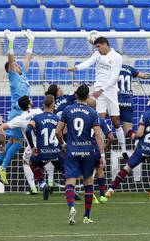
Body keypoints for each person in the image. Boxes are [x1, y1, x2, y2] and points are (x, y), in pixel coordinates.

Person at [68, 35, 128, 159]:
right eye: (96, 47)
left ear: (105, 44)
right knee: (99, 120)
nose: (98, 49)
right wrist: (76, 68)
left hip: (110, 90)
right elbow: (88, 62)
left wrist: (101, 90)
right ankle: (99, 149)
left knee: (116, 121)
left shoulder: (117, 57)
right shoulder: (97, 54)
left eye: (99, 46)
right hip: (98, 91)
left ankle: (124, 150)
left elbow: (114, 77)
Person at [55, 84, 105, 225]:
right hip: (88, 151)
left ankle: (71, 207)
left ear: (76, 95)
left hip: (72, 150)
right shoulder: (92, 112)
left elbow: (58, 131)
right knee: (88, 182)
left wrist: (63, 143)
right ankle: (86, 216)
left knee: (70, 181)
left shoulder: (67, 109)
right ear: (88, 96)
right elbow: (98, 134)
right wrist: (102, 155)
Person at [0, 29, 35, 185]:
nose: (17, 64)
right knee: (17, 143)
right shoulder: (13, 75)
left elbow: (28, 58)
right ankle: (3, 168)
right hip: (17, 114)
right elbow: (10, 60)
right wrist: (10, 42)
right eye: (15, 64)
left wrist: (31, 40)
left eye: (17, 64)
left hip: (20, 113)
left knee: (11, 142)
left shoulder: (23, 75)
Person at [1, 95, 43, 195]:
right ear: (29, 104)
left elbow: (3, 127)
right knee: (50, 160)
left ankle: (34, 188)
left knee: (25, 160)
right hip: (45, 143)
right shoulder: (39, 111)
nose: (32, 100)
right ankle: (49, 184)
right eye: (30, 99)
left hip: (33, 146)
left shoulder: (19, 118)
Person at [26, 95, 65, 200]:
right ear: (53, 105)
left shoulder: (37, 118)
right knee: (65, 170)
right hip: (56, 152)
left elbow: (27, 130)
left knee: (31, 163)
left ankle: (43, 184)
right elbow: (64, 133)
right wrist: (63, 144)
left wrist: (33, 146)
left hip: (42, 153)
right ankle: (70, 189)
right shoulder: (58, 118)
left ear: (43, 104)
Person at [117, 64, 150, 136]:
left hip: (114, 100)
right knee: (128, 131)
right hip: (127, 102)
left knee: (101, 122)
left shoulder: (111, 67)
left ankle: (99, 145)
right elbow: (145, 76)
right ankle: (136, 142)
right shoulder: (129, 68)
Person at [87, 98, 115, 205]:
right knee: (100, 170)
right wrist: (106, 146)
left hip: (85, 149)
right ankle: (102, 195)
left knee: (85, 173)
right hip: (97, 150)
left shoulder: (83, 118)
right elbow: (111, 137)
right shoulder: (100, 120)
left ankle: (91, 195)